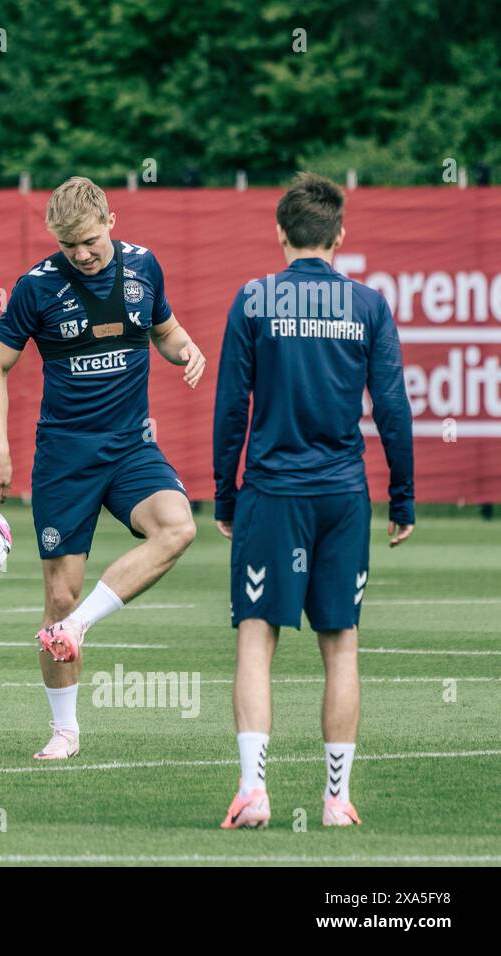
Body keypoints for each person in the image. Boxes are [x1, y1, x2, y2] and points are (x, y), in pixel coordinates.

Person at [0, 176, 205, 760]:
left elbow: (165, 331)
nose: (80, 254)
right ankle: (65, 731)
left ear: (111, 219)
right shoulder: (37, 288)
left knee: (178, 526)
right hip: (64, 458)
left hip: (131, 447)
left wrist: (187, 349)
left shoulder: (144, 268)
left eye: (88, 240)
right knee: (60, 595)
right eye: (67, 244)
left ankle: (80, 626)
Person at [213, 172, 415, 829]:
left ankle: (254, 793)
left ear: (280, 233)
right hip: (342, 495)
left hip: (271, 493)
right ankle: (336, 801)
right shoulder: (369, 306)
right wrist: (403, 498)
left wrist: (223, 494)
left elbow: (230, 409)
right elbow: (392, 409)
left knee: (255, 637)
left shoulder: (252, 300)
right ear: (339, 236)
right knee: (343, 645)